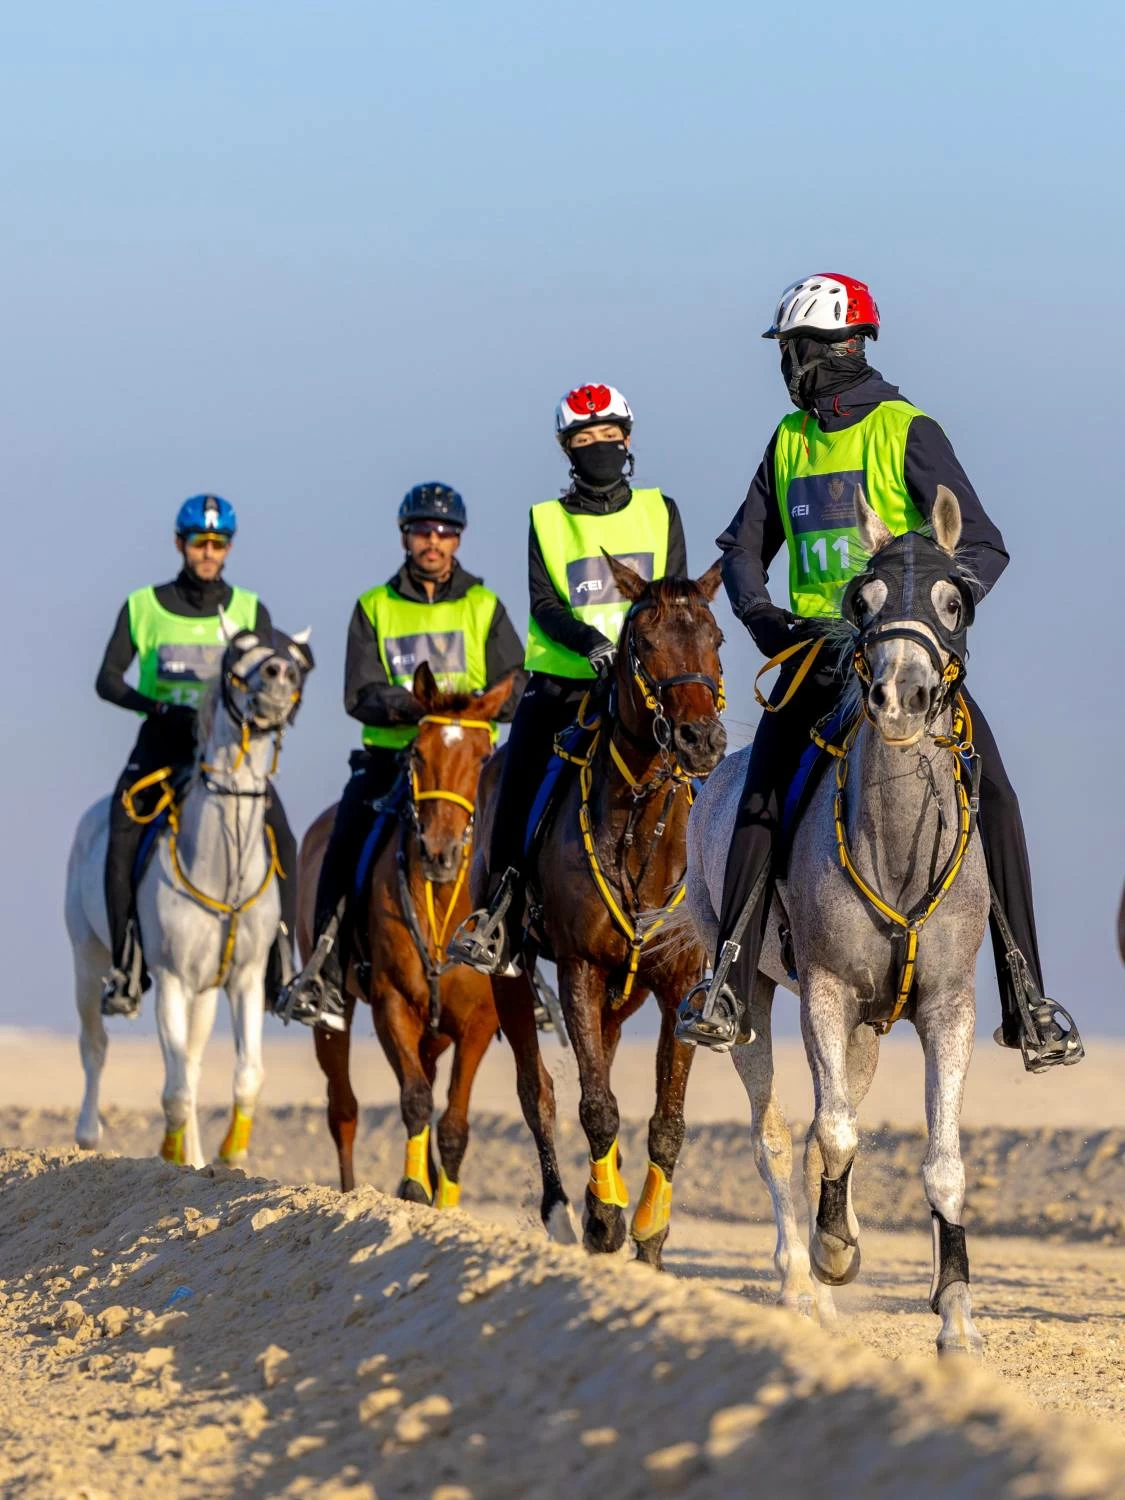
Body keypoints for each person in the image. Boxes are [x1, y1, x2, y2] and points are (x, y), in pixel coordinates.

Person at [675, 273, 1083, 1071]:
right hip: (813, 664)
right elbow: (739, 548)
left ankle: (1026, 996)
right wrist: (764, 621)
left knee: (993, 794)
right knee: (756, 798)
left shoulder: (906, 428)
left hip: (904, 664)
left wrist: (936, 616)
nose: (785, 366)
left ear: (825, 350)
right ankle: (727, 979)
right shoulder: (788, 440)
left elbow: (983, 543)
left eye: (791, 351)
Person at [450, 384, 688, 976]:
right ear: (567, 450)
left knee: (707, 779)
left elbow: (678, 601)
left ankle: (715, 926)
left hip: (647, 690)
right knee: (515, 785)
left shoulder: (662, 511)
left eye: (607, 437)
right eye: (585, 440)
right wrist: (593, 645)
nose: (598, 449)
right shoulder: (547, 520)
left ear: (626, 440)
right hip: (564, 684)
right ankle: (499, 917)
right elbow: (545, 604)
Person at [280, 482, 526, 1030]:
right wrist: (416, 708)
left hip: (465, 767)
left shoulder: (484, 606)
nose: (432, 542)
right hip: (391, 762)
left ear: (457, 540)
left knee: (521, 839)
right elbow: (358, 693)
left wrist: (462, 714)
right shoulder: (374, 606)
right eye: (422, 531)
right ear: (405, 537)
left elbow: (516, 681)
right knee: (340, 845)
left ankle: (521, 972)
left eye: (443, 532)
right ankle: (320, 971)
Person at [98, 494, 297, 1016]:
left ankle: (284, 967)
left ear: (228, 548)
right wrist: (157, 709)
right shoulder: (143, 605)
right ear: (179, 543)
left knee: (284, 837)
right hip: (162, 748)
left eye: (217, 543)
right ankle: (125, 967)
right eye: (198, 542)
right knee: (121, 834)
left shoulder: (251, 610)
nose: (208, 553)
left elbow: (274, 679)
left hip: (229, 756)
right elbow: (107, 680)